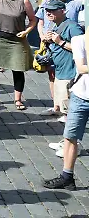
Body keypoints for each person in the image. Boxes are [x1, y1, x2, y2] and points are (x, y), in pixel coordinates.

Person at [43, 29, 89, 190]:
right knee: (70, 137)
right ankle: (67, 176)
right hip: (81, 96)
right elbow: (82, 67)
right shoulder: (79, 40)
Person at [38, 0, 83, 120]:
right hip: (59, 70)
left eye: (52, 10)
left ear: (63, 11)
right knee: (60, 98)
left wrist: (60, 42)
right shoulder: (55, 25)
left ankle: (69, 122)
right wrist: (48, 41)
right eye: (47, 10)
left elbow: (80, 48)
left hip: (69, 71)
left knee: (67, 101)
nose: (48, 13)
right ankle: (60, 112)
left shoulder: (73, 27)